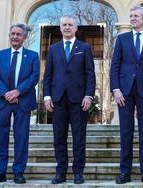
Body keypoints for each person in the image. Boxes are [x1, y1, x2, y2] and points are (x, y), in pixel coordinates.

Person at [110, 5, 143, 185]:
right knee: (125, 133)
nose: (132, 18)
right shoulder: (122, 39)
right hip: (124, 92)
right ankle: (124, 172)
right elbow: (115, 66)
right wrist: (115, 89)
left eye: (136, 16)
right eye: (131, 16)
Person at [43, 15, 95, 184]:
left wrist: (89, 95)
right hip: (57, 99)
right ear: (60, 28)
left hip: (79, 100)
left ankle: (78, 172)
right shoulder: (53, 49)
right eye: (64, 25)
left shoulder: (85, 48)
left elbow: (90, 74)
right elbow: (48, 75)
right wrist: (46, 96)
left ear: (75, 29)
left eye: (70, 25)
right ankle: (61, 172)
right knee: (59, 137)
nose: (66, 27)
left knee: (79, 137)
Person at [0, 23, 40, 184]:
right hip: (2, 101)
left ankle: (18, 172)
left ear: (25, 37)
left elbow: (34, 76)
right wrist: (6, 93)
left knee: (21, 138)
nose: (14, 37)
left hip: (23, 101)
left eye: (18, 34)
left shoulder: (32, 55)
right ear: (9, 36)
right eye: (12, 34)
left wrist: (17, 91)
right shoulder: (0, 54)